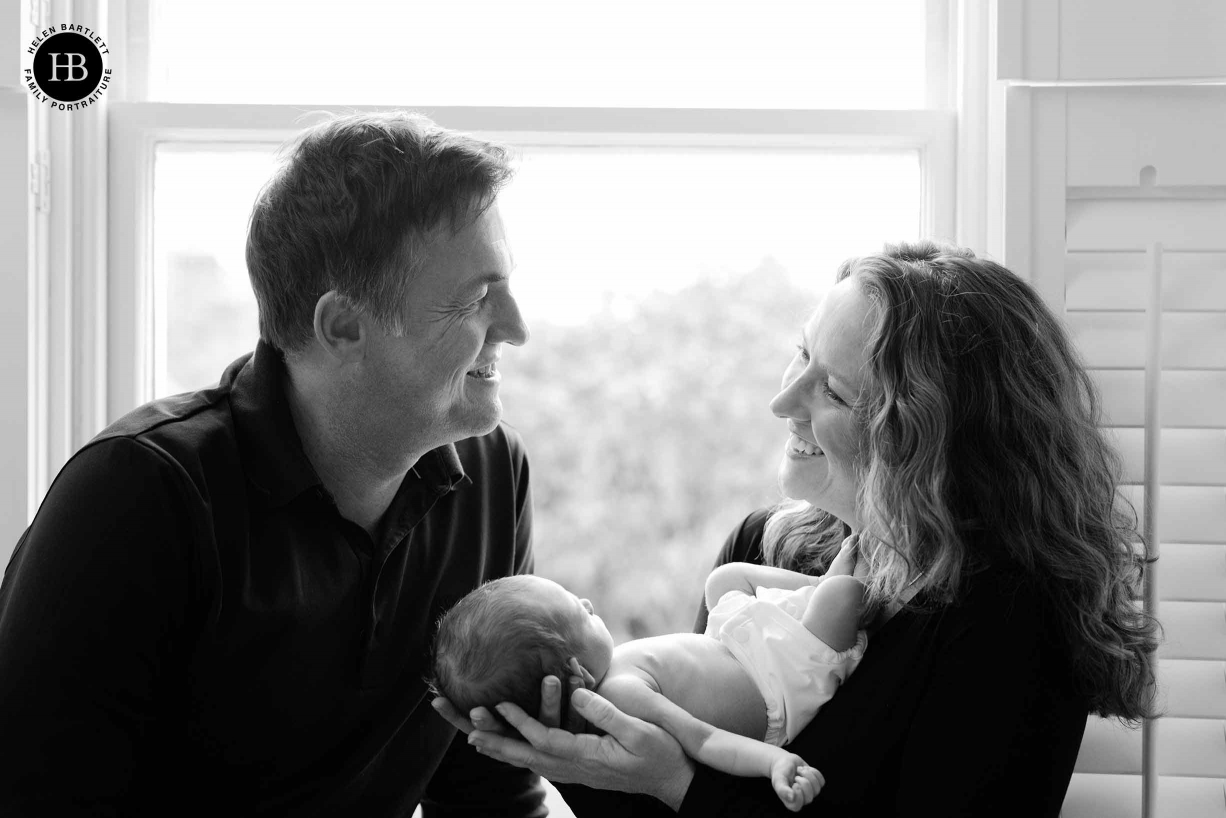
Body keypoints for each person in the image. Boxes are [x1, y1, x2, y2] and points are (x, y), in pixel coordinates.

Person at [437, 241, 1160, 817]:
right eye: (802, 353)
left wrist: (680, 785)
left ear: (928, 441)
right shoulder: (762, 547)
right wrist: (581, 754)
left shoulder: (1007, 620)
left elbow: (688, 792)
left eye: (834, 390)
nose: (784, 399)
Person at [0, 112, 544, 817]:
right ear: (343, 326)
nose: (518, 327)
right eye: (477, 297)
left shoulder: (493, 475)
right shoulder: (138, 497)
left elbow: (490, 791)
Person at [430, 540, 870, 812]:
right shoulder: (623, 696)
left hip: (739, 645)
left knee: (724, 578)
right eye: (577, 614)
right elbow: (704, 740)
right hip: (780, 681)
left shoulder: (617, 673)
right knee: (843, 594)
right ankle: (838, 589)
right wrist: (773, 762)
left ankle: (810, 595)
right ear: (575, 670)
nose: (586, 602)